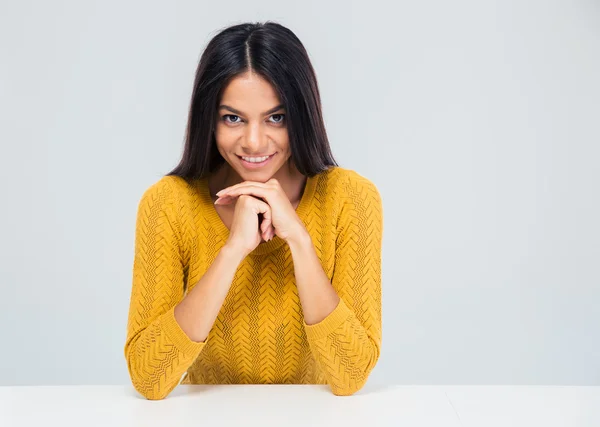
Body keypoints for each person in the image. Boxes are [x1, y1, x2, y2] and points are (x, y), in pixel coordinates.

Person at [123, 21, 384, 400]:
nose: (254, 141)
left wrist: (299, 239)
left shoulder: (351, 198)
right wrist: (232, 252)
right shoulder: (168, 203)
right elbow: (149, 378)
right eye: (233, 118)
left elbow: (351, 374)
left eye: (276, 117)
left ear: (302, 115)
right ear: (208, 120)